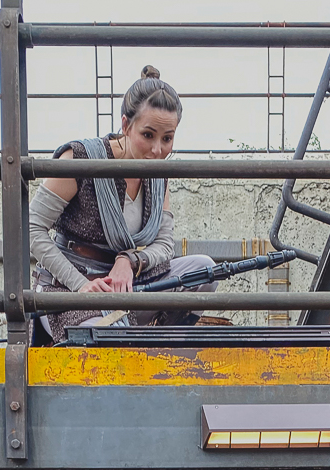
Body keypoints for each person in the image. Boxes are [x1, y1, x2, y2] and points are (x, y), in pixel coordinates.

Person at [28, 66, 218, 343]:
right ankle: (127, 340)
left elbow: (164, 246)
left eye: (167, 139)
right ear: (126, 125)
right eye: (148, 135)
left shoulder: (159, 175)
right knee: (105, 338)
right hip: (69, 288)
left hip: (127, 283)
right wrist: (81, 286)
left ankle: (154, 345)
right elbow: (32, 228)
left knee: (205, 270)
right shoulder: (80, 159)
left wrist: (129, 260)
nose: (157, 151)